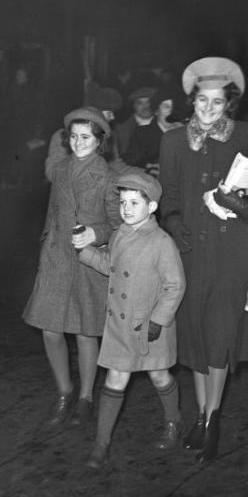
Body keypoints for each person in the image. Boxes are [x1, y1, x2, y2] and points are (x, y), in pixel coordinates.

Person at [159, 56, 248, 463]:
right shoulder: (172, 141)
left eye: (217, 103)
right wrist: (173, 222)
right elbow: (168, 194)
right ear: (192, 100)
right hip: (190, 253)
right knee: (197, 338)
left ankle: (213, 418)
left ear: (229, 105)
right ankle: (203, 416)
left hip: (233, 251)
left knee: (220, 336)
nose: (207, 110)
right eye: (202, 101)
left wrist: (243, 205)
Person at [78, 171, 186, 466]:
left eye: (134, 203)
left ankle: (174, 422)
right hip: (120, 325)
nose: (126, 208)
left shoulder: (162, 242)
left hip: (149, 326)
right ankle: (101, 444)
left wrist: (158, 320)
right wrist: (85, 252)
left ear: (151, 207)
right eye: (123, 202)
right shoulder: (120, 234)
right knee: (115, 379)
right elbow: (111, 266)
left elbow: (175, 285)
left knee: (159, 375)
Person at [22, 107, 121, 429]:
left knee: (83, 331)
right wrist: (45, 242)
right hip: (56, 255)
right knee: (50, 329)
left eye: (86, 137)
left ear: (99, 141)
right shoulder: (61, 169)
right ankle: (64, 390)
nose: (78, 143)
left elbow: (118, 223)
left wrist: (98, 233)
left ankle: (86, 397)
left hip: (87, 257)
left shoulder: (109, 177)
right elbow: (53, 210)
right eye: (74, 137)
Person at [114, 86, 161, 174]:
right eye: (140, 103)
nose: (145, 106)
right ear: (134, 106)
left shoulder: (164, 124)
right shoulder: (122, 130)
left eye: (148, 102)